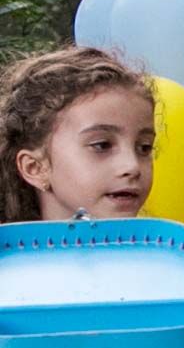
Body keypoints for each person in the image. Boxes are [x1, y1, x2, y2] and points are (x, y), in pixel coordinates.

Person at [1, 46, 153, 222]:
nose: (132, 166)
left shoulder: (172, 248)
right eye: (102, 145)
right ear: (35, 168)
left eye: (144, 147)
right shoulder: (8, 249)